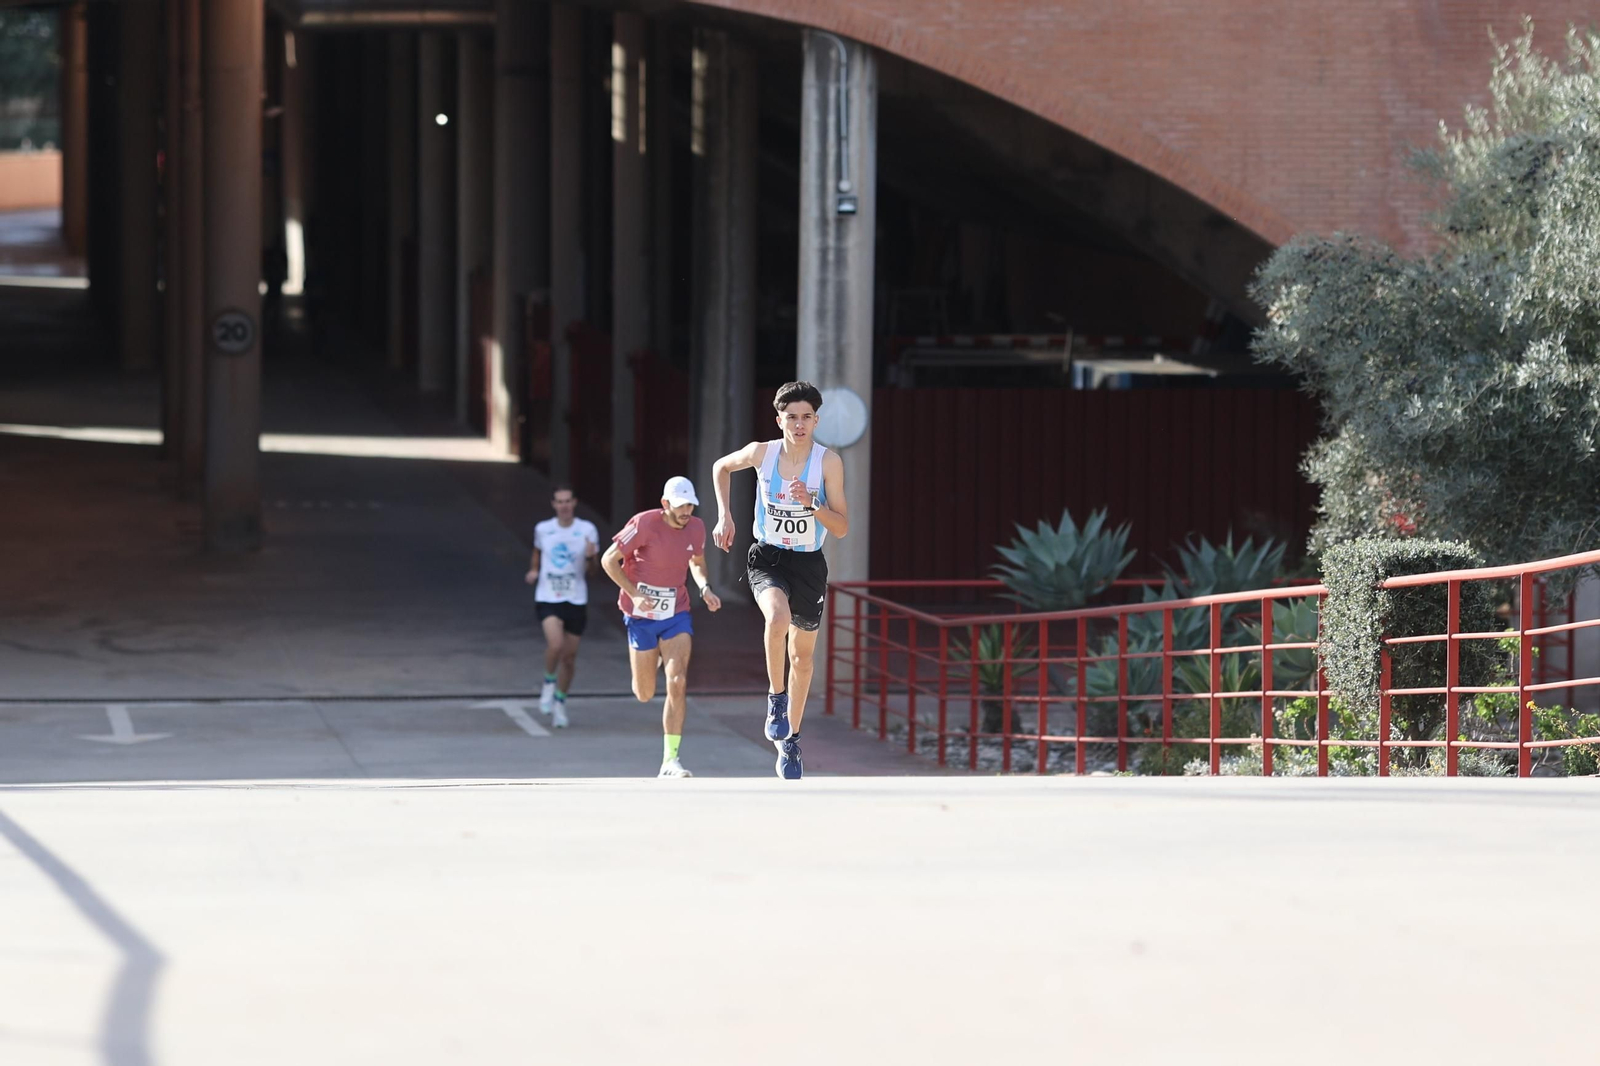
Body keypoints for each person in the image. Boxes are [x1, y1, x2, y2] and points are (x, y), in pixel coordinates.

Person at [711, 381, 849, 780]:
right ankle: (776, 697)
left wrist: (813, 503)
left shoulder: (828, 463)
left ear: (816, 420)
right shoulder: (762, 453)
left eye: (807, 417)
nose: (799, 424)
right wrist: (725, 515)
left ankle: (791, 740)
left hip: (807, 564)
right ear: (779, 420)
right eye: (792, 417)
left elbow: (840, 528)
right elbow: (721, 466)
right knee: (776, 618)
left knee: (802, 659)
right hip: (767, 556)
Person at [600, 476, 722, 778]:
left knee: (678, 681)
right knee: (643, 693)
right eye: (680, 506)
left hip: (676, 612)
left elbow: (697, 561)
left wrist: (704, 587)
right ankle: (649, 657)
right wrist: (634, 592)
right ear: (665, 504)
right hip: (640, 616)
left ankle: (670, 760)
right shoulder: (643, 524)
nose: (686, 512)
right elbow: (608, 560)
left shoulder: (696, 527)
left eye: (690, 506)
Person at [525, 486, 600, 729]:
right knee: (555, 645)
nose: (564, 505)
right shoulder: (543, 529)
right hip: (548, 596)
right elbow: (537, 552)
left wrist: (590, 557)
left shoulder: (587, 530)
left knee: (569, 658)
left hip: (576, 598)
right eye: (559, 501)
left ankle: (560, 702)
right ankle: (548, 683)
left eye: (568, 501)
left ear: (574, 503)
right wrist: (534, 570)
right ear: (554, 504)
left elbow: (594, 571)